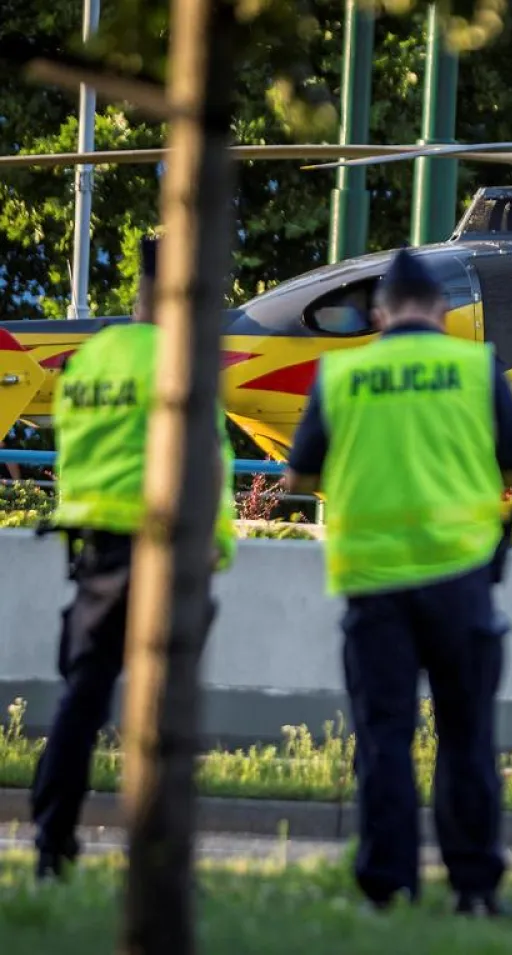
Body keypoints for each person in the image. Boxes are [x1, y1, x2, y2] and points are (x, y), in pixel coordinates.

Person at [282, 249, 512, 917]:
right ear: (442, 310)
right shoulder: (476, 368)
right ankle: (474, 888)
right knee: (466, 738)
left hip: (374, 584)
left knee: (384, 740)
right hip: (460, 579)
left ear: (379, 314)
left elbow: (298, 479)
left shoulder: (342, 374)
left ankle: (386, 888)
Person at [30, 236, 238, 880]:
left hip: (96, 552)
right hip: (166, 549)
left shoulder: (91, 359)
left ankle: (51, 841)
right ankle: (157, 858)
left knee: (82, 699)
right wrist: (216, 544)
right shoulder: (182, 360)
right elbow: (207, 459)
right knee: (165, 713)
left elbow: (74, 451)